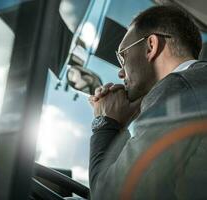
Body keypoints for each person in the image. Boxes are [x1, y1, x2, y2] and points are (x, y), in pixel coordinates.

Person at [88, 5, 207, 200]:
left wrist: (106, 122)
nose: (120, 72)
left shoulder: (177, 87)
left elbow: (110, 195)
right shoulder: (196, 83)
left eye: (122, 56)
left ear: (151, 46)